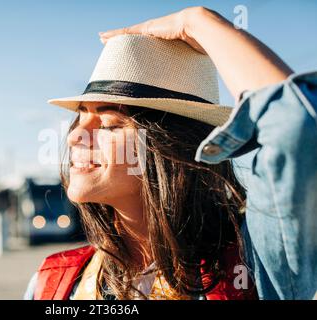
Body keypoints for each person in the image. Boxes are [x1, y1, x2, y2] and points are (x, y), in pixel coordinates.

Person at [24, 7, 317, 300]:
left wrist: (201, 22)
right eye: (79, 118)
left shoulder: (252, 262)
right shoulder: (52, 283)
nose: (75, 136)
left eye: (109, 124)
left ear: (168, 146)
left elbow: (297, 126)